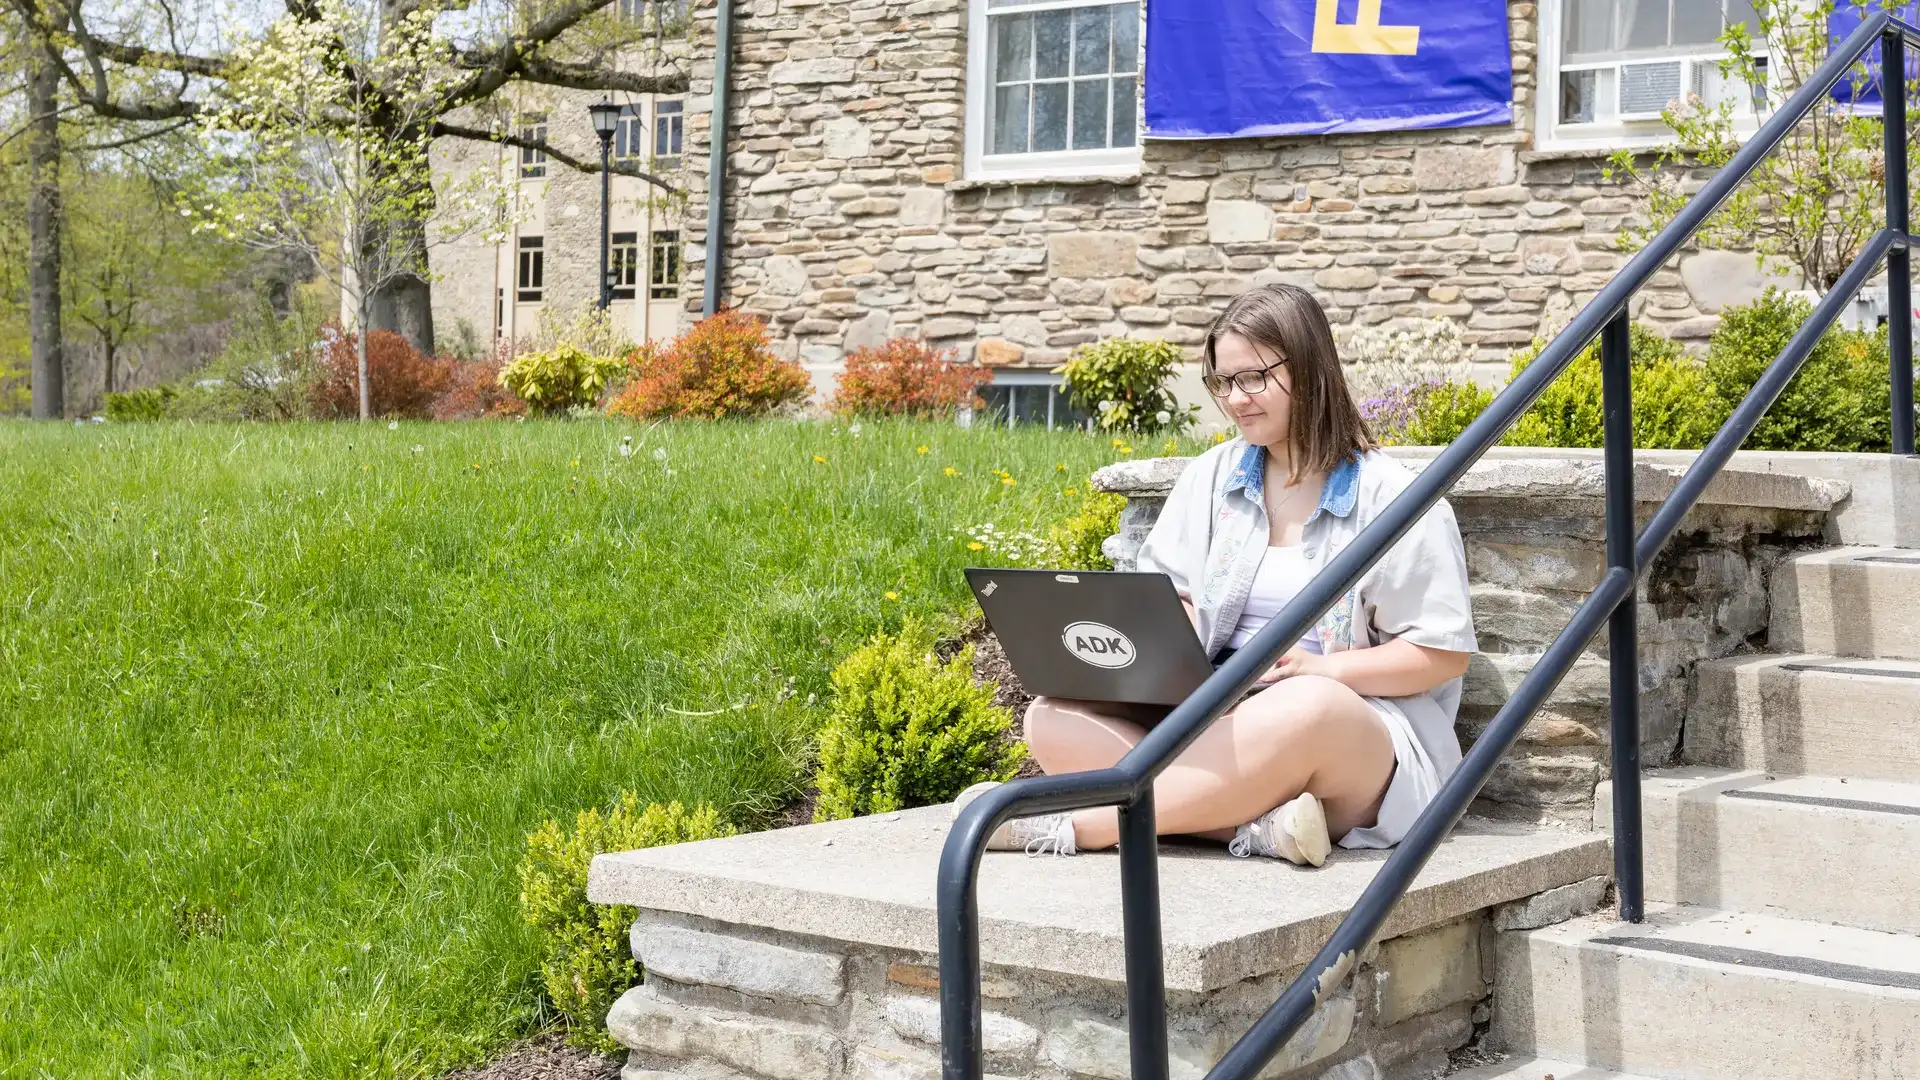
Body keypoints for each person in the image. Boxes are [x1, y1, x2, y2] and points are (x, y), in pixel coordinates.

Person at [955, 284, 1477, 865]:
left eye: (1254, 378)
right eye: (1223, 382)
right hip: (1215, 707)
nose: (1236, 399)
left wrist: (1325, 669)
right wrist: (1160, 651)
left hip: (1345, 732)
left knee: (1308, 706)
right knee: (1052, 716)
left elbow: (1441, 655)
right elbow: (1166, 592)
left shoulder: (1398, 499)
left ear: (1310, 370)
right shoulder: (1212, 477)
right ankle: (1260, 828)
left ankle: (1072, 826)